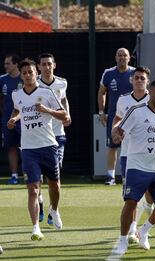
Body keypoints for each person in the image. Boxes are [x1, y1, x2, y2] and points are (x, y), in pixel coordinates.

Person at [111, 79, 155, 257]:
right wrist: (116, 134)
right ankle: (122, 240)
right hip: (137, 166)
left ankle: (144, 231)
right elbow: (119, 129)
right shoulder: (136, 111)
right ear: (150, 92)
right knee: (131, 202)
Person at [7, 58, 68, 240]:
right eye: (24, 73)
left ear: (36, 74)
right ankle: (35, 228)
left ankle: (54, 210)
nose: (27, 76)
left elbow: (63, 114)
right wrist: (14, 119)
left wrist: (47, 110)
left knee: (54, 185)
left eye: (30, 73)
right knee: (33, 189)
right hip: (28, 149)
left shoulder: (47, 92)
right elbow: (18, 110)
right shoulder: (16, 94)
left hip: (49, 145)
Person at [111, 66, 151, 244]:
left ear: (147, 81)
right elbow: (117, 119)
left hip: (150, 154)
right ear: (131, 80)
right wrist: (115, 130)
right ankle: (133, 230)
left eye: (143, 78)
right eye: (137, 78)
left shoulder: (154, 98)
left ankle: (148, 210)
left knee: (150, 194)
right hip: (129, 153)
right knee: (131, 195)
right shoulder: (123, 100)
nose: (139, 80)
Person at [37, 53, 71, 225]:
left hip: (58, 135)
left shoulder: (62, 82)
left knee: (55, 177)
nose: (47, 67)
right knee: (38, 177)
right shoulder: (33, 83)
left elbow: (64, 100)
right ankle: (40, 203)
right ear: (39, 67)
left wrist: (68, 115)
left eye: (49, 64)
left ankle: (53, 210)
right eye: (43, 64)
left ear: (54, 65)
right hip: (38, 137)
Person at [98, 48, 135, 185]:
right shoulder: (108, 73)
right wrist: (102, 112)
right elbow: (102, 92)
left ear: (129, 58)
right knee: (112, 145)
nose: (122, 58)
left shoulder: (135, 73)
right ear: (115, 57)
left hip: (133, 116)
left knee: (132, 145)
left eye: (124, 55)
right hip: (114, 116)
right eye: (119, 55)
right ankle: (110, 177)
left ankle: (130, 175)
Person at [0, 54, 22, 185]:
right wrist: (6, 114)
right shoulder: (2, 79)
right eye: (5, 63)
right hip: (7, 121)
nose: (5, 66)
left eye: (8, 63)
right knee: (12, 148)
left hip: (25, 120)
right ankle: (14, 176)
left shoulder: (24, 78)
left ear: (15, 64)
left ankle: (28, 174)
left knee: (26, 147)